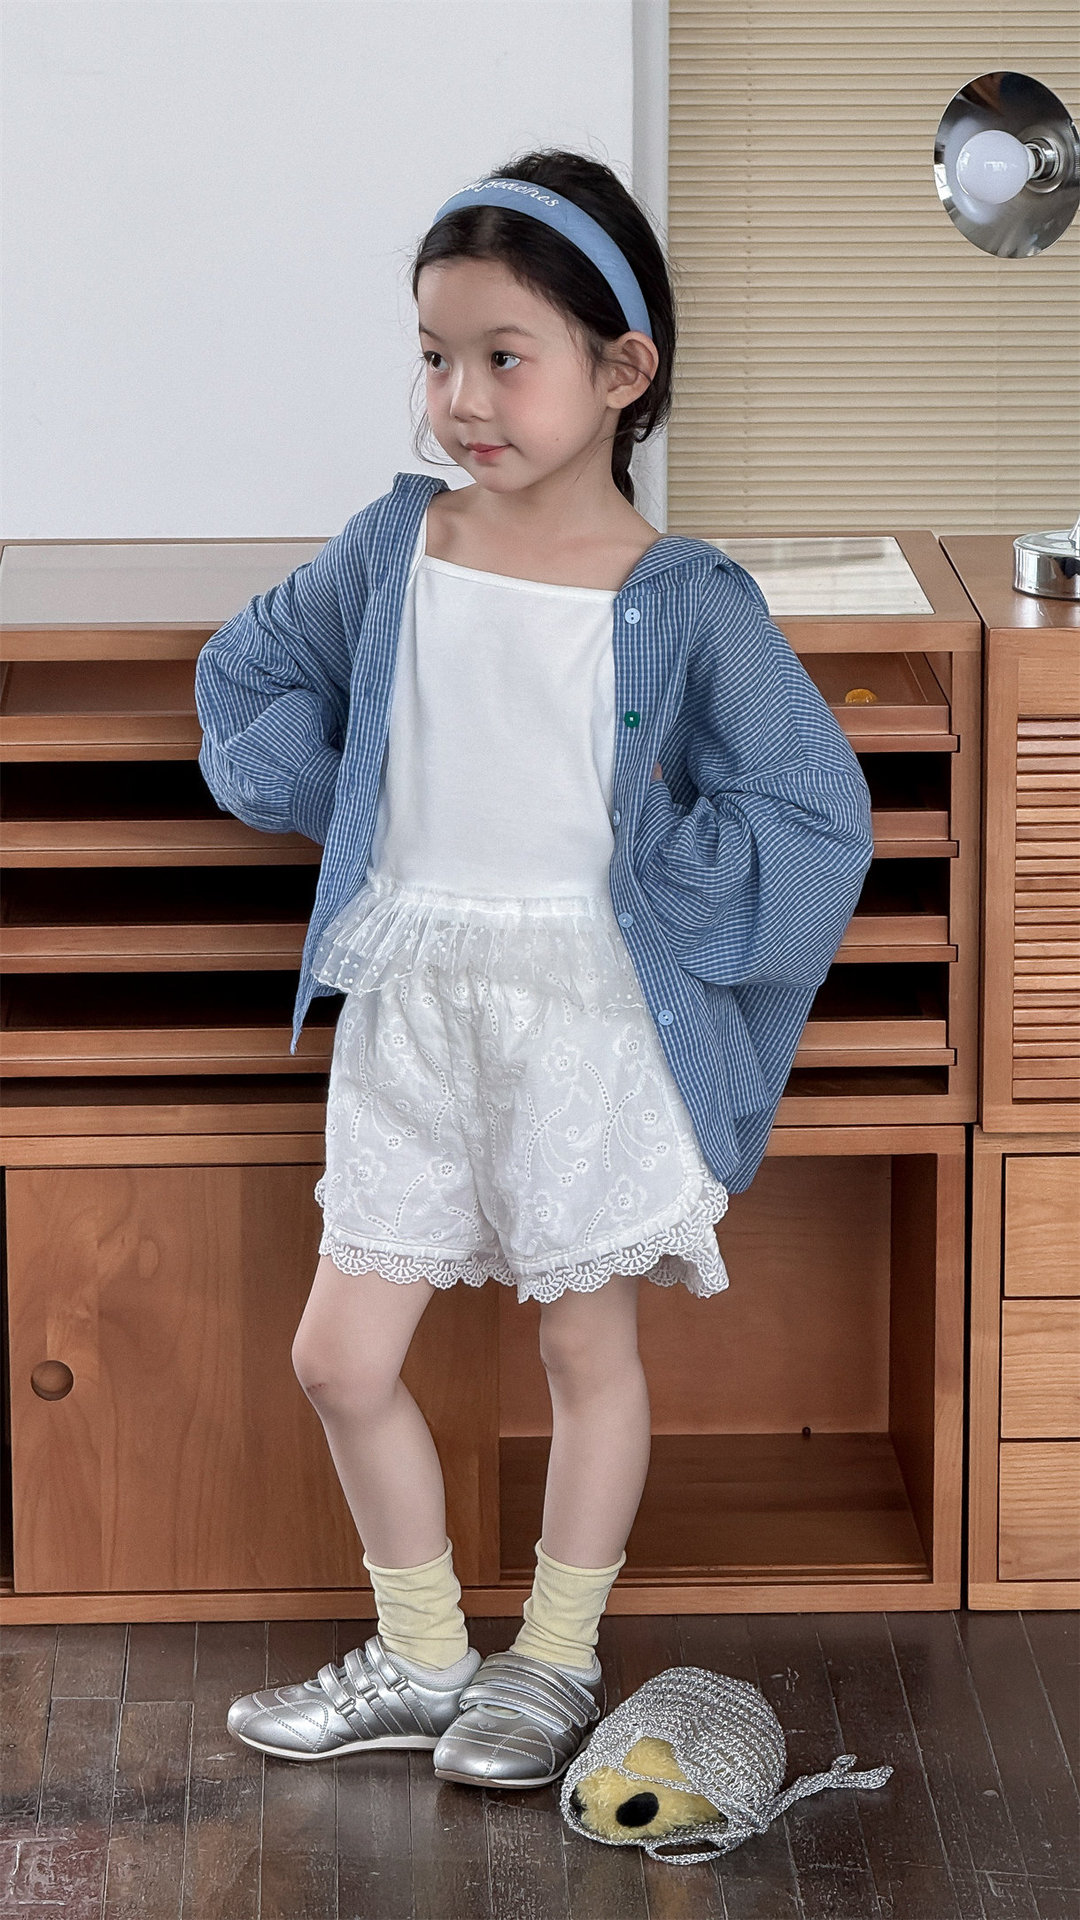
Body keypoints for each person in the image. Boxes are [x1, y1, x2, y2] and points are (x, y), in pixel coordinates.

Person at [195, 149, 875, 1790]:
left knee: (585, 1353)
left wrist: (666, 875)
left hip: (588, 1018)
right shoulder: (397, 545)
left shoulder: (682, 599)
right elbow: (247, 673)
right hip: (416, 1002)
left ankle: (553, 1662)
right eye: (436, 356)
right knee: (338, 1355)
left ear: (621, 371)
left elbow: (812, 811)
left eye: (506, 357)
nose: (460, 399)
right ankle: (425, 1655)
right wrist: (336, 792)